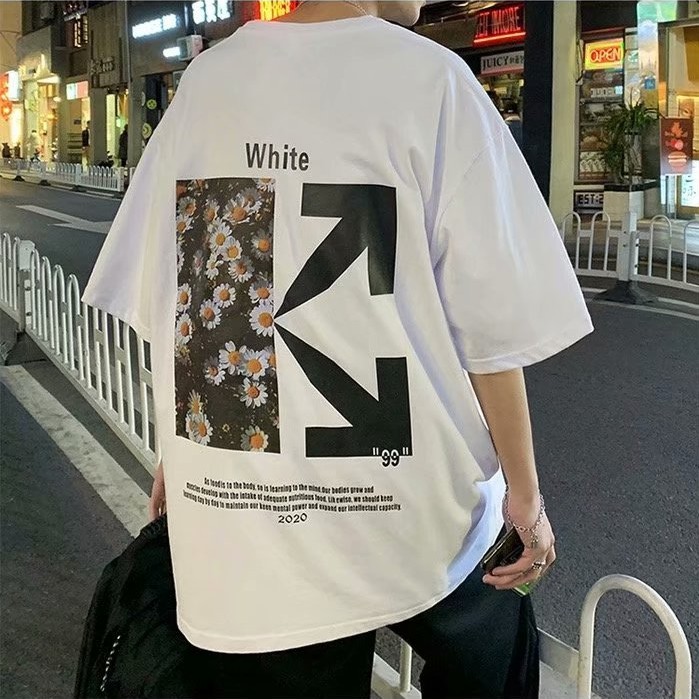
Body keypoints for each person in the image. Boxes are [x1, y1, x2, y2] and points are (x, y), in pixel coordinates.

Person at [82, 1, 593, 697]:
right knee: (493, 637)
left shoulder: (205, 85)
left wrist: (183, 455)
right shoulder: (434, 83)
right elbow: (491, 334)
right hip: (410, 505)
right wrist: (526, 501)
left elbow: (190, 295)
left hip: (253, 507)